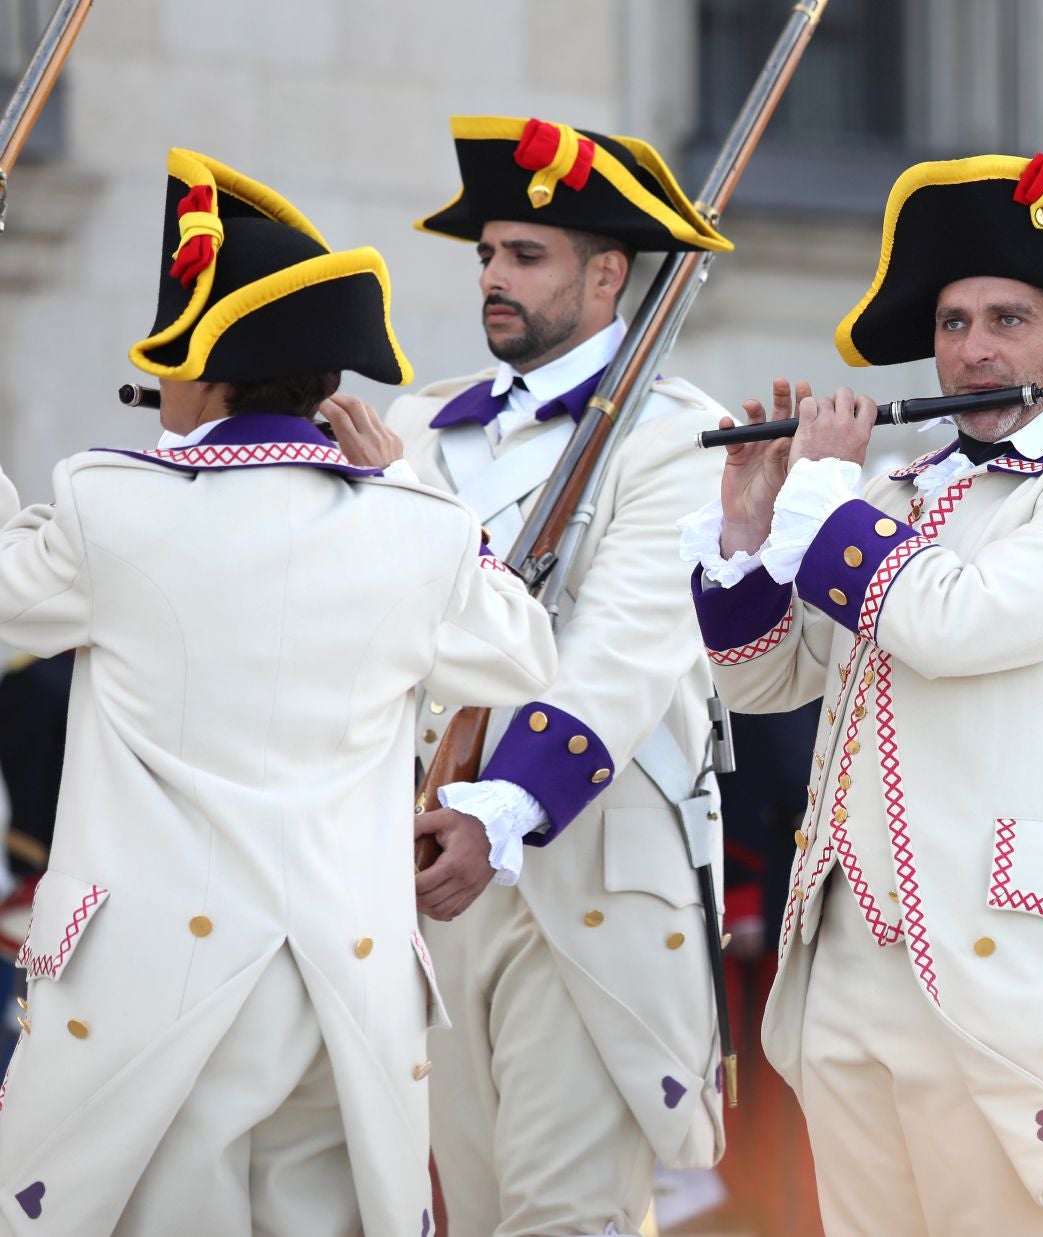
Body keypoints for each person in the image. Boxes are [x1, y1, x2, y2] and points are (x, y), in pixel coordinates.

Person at [0, 148, 555, 1236]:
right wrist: (408, 484)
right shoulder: (418, 530)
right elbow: (523, 652)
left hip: (149, 989)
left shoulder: (109, 505)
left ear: (205, 379)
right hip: (342, 993)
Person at [683, 151, 1043, 1235]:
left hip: (1011, 970)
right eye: (955, 322)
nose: (972, 349)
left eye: (1007, 320)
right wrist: (751, 524)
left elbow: (951, 622)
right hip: (848, 970)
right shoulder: (903, 491)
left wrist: (824, 502)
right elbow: (764, 674)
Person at [333, 115, 736, 1237]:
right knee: (457, 1206)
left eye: (527, 256)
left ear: (609, 275)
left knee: (564, 1218)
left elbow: (623, 652)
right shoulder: (417, 428)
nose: (495, 279)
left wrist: (501, 805)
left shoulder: (674, 434)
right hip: (419, 868)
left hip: (578, 862)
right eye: (487, 256)